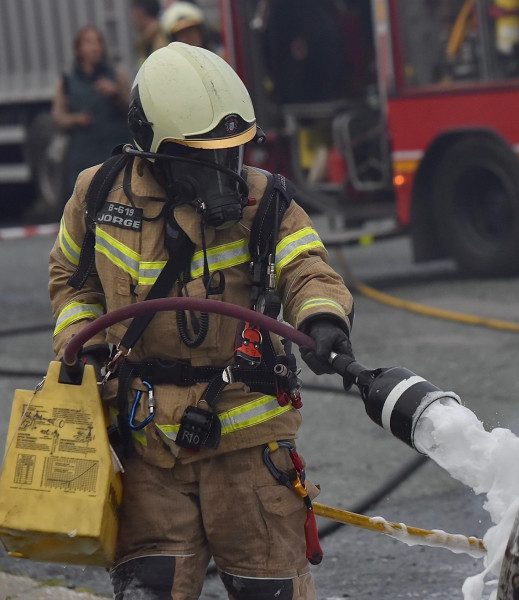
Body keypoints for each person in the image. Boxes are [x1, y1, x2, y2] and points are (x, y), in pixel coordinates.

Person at [48, 42, 354, 599]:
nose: (226, 173)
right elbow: (72, 279)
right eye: (205, 157)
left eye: (234, 153)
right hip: (145, 453)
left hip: (247, 447)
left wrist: (322, 318)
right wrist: (82, 341)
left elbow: (306, 267)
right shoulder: (97, 195)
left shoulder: (265, 203)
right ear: (154, 148)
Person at [51, 25, 132, 204]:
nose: (95, 47)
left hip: (115, 153)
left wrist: (116, 93)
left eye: (98, 42)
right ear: (78, 49)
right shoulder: (67, 81)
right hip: (84, 155)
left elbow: (132, 110)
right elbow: (58, 117)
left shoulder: (116, 73)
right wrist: (76, 119)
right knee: (84, 201)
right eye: (88, 42)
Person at [131, 0, 167, 65]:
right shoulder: (149, 40)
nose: (132, 19)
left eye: (133, 13)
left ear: (140, 13)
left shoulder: (159, 44)